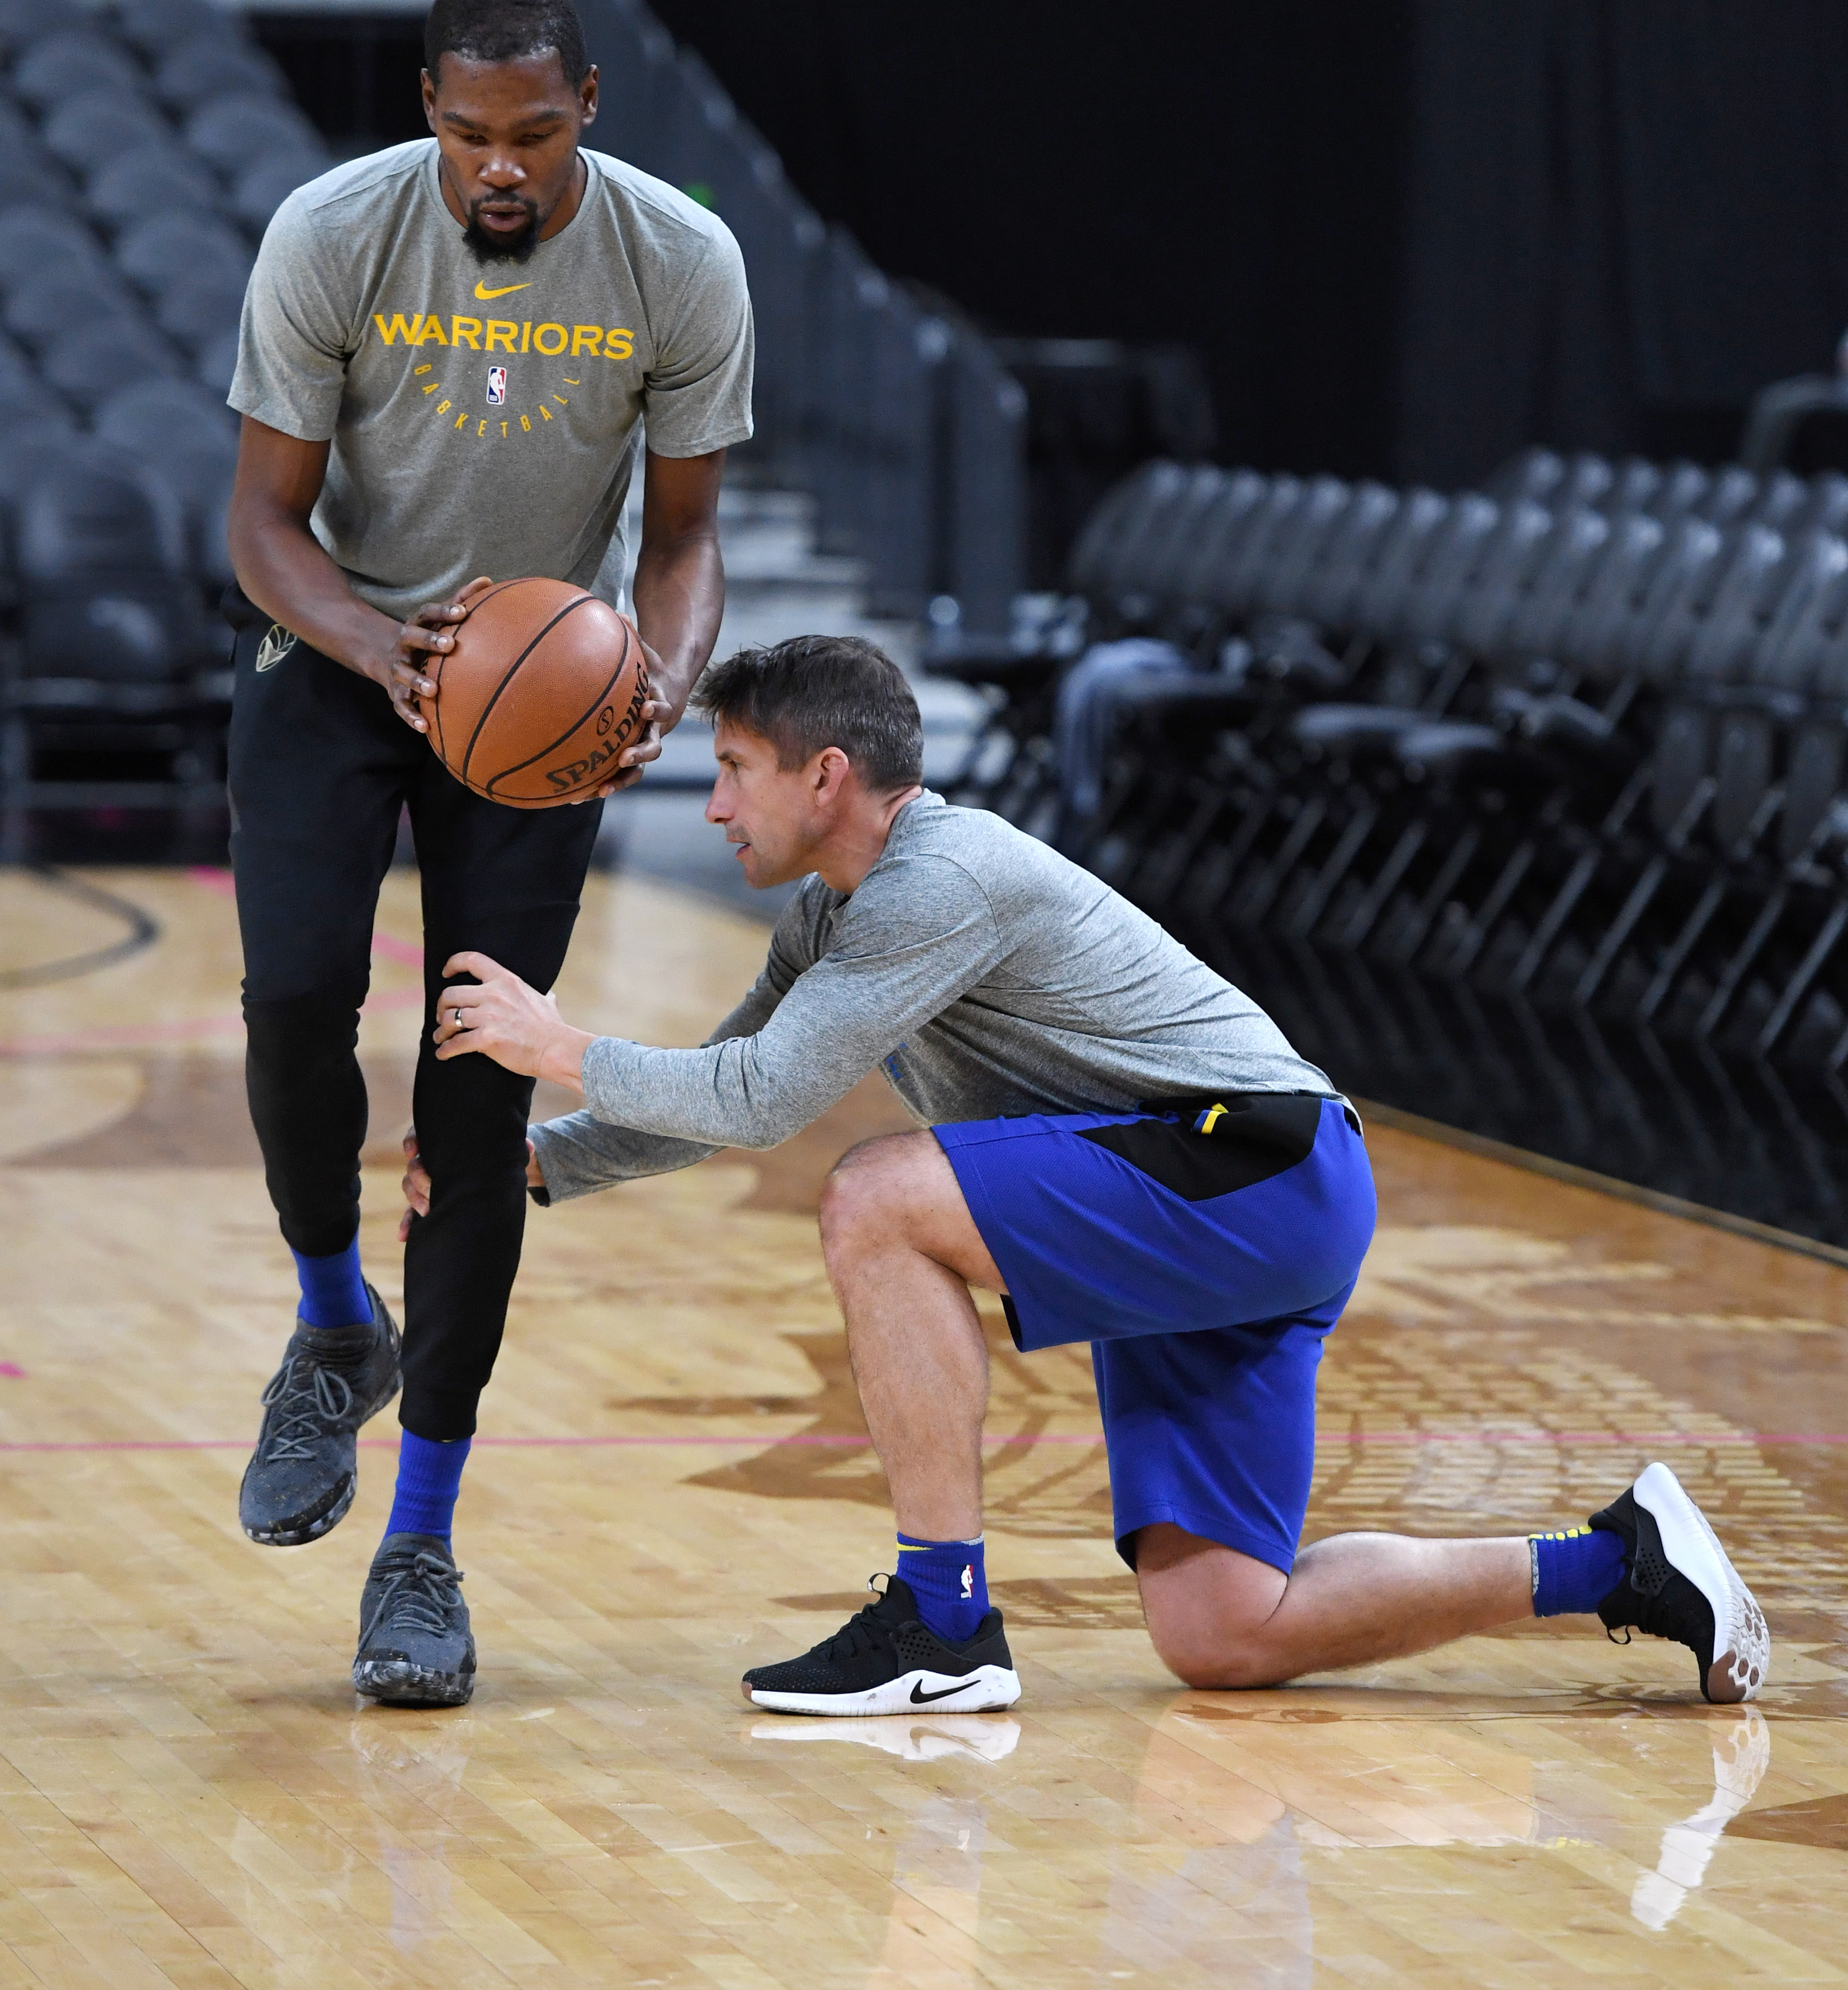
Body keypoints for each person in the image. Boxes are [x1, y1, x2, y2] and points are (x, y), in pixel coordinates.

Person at [410, 635, 1770, 1716]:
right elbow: (721, 1095)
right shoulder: (835, 908)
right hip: (1210, 1194)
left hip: (1252, 1164)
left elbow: (764, 1105)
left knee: (877, 1195)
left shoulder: (944, 875)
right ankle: (1623, 1560)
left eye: (736, 767)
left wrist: (559, 1042)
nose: (710, 803)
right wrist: (532, 1164)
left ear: (825, 775)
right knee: (1227, 1630)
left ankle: (940, 1616)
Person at [225, 0, 753, 1707]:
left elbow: (680, 535)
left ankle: (421, 1546)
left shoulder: (680, 261)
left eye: (531, 132)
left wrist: (661, 678)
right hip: (336, 660)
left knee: (477, 1094)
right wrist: (387, 649)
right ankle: (327, 1323)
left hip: (539, 711)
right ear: (427, 112)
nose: (498, 165)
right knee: (298, 1001)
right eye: (467, 133)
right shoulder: (334, 230)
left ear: (586, 104)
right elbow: (262, 520)